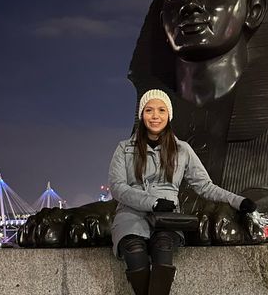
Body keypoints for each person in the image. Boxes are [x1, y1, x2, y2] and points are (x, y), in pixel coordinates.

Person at [109, 88, 257, 295]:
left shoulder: (182, 149)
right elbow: (117, 187)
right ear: (142, 114)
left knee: (163, 247)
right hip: (130, 214)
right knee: (134, 250)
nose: (155, 116)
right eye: (149, 110)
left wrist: (238, 201)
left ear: (168, 115)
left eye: (161, 110)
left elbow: (205, 186)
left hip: (167, 217)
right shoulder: (125, 148)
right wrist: (151, 202)